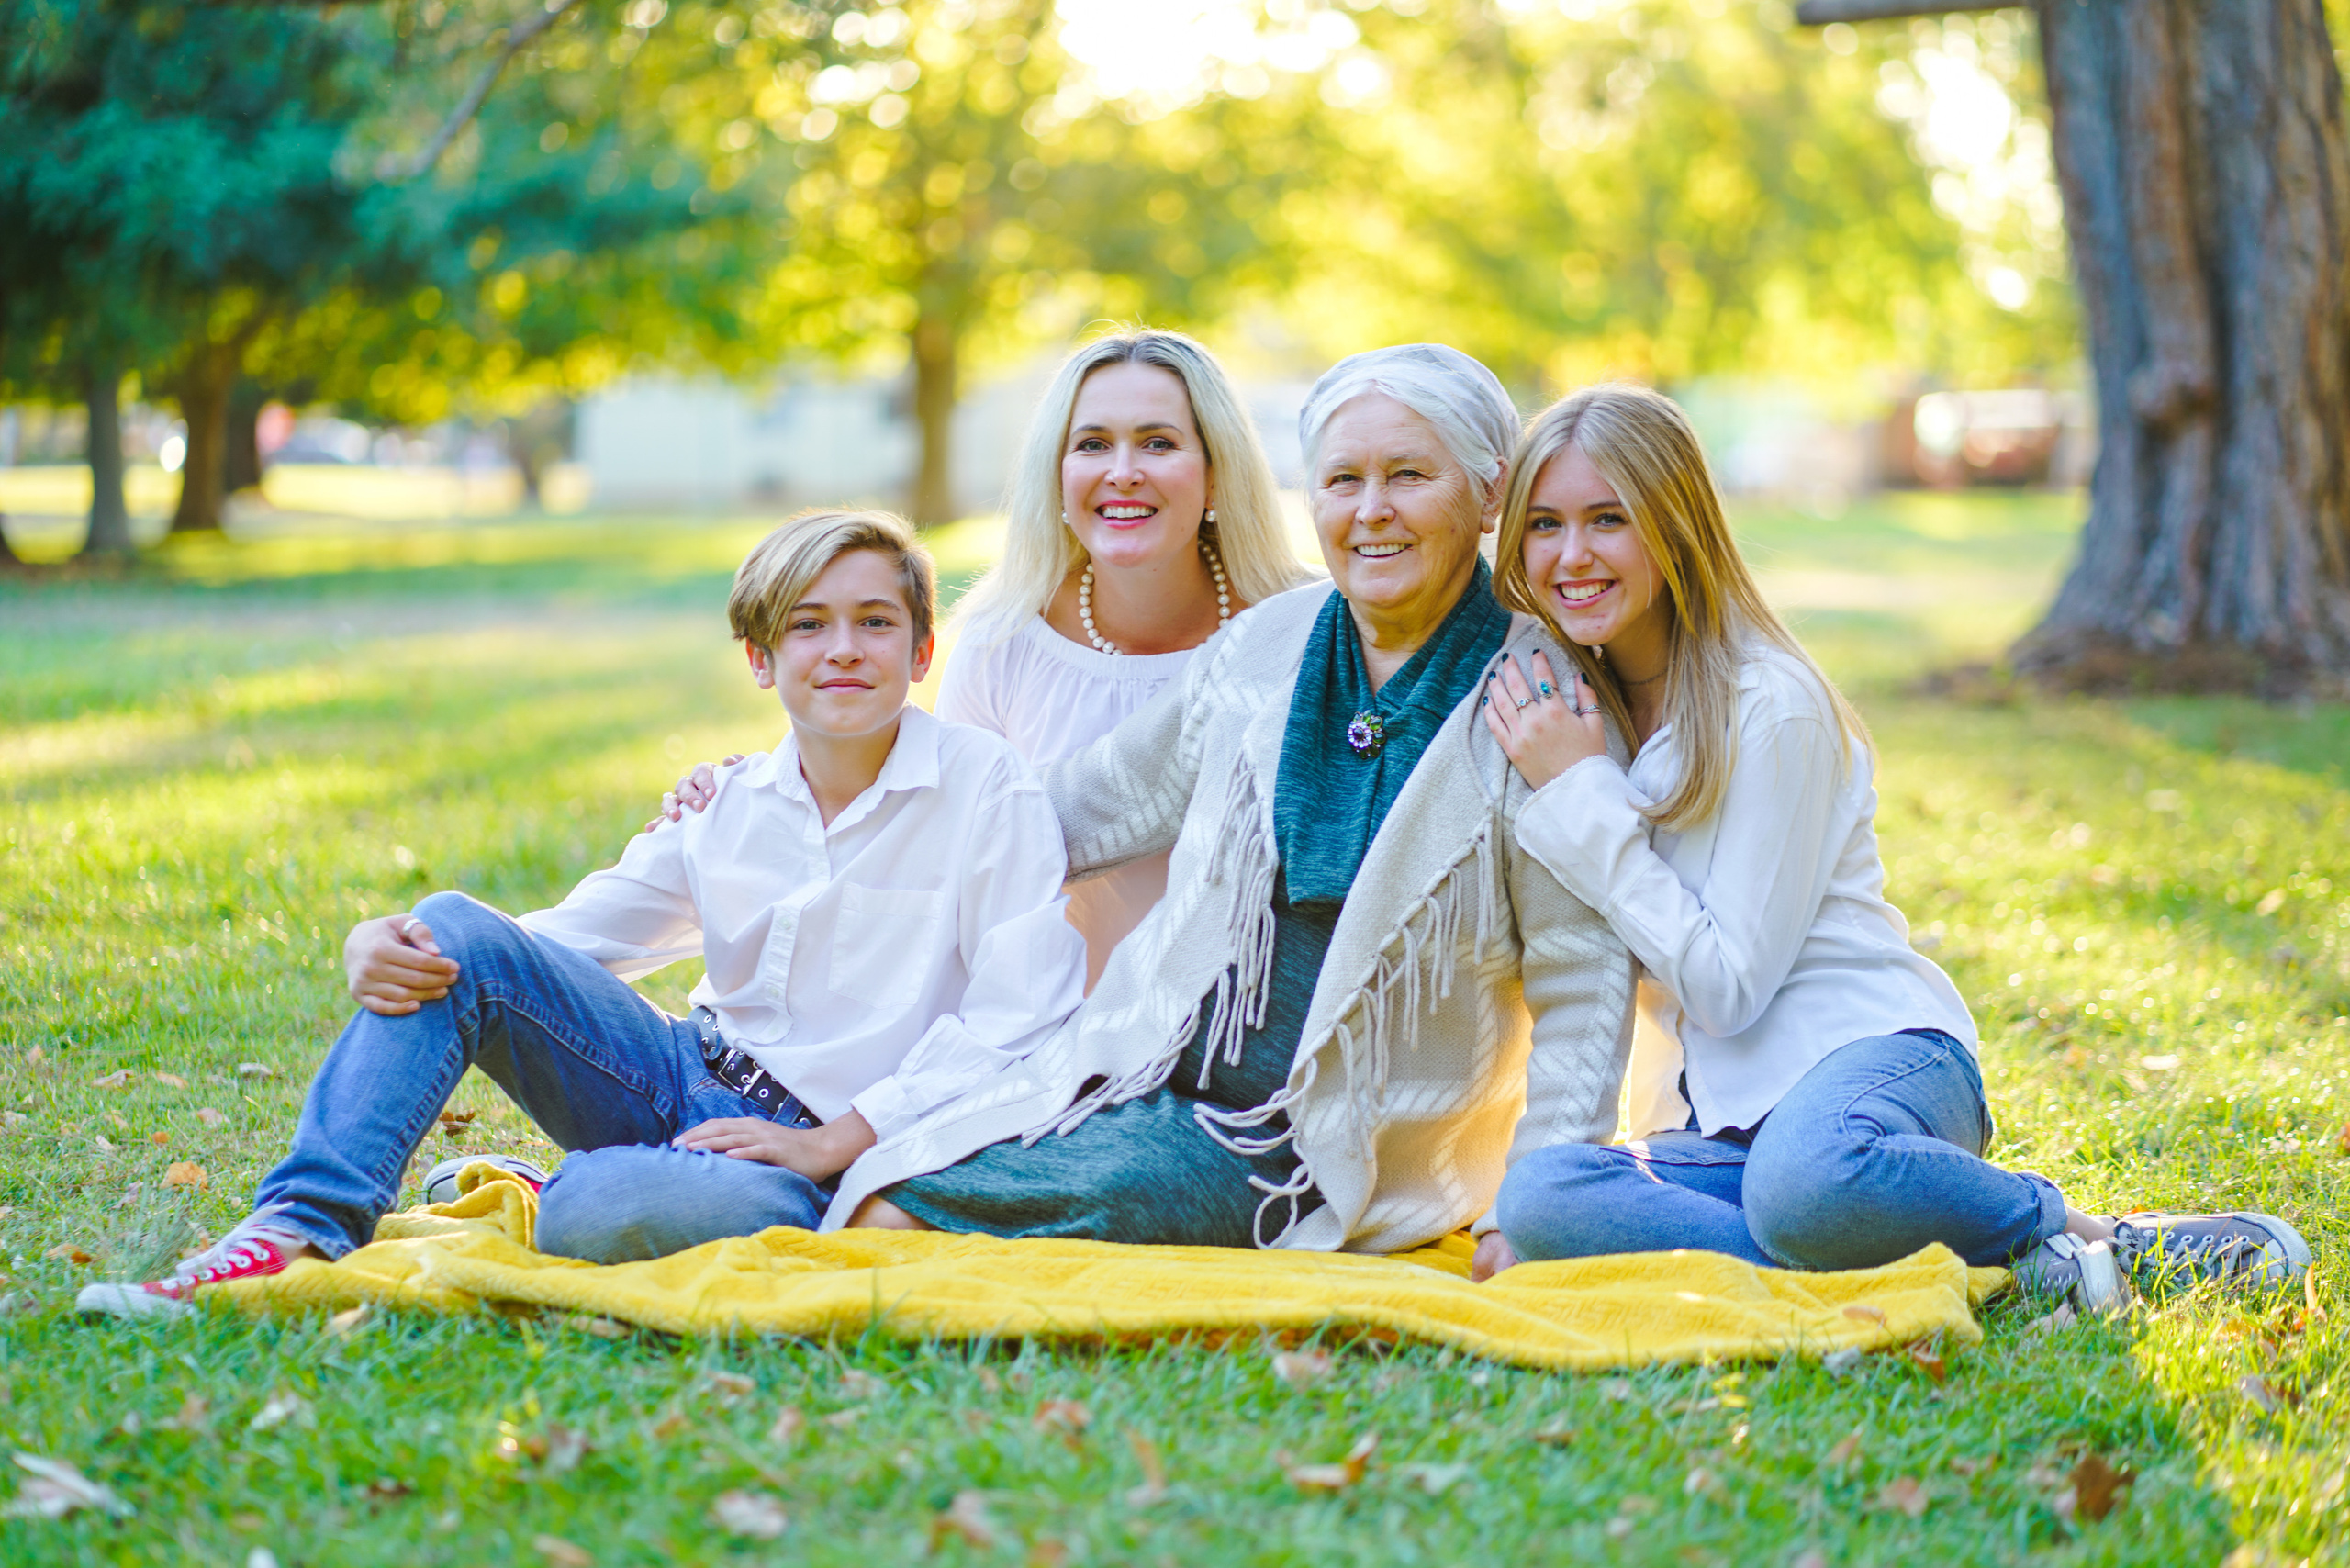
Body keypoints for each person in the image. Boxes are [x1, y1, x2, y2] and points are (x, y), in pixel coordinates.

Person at [78, 510, 1086, 1318]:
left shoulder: (984, 789)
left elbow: (1019, 1013)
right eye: (808, 624)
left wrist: (837, 1142)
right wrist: (390, 946)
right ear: (759, 658)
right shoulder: (728, 803)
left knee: (592, 1209)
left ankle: (542, 1183)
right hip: (681, 1071)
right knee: (449, 925)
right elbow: (545, 948)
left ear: (921, 653)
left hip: (838, 1151)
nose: (843, 649)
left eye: (875, 622)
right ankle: (292, 1231)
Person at [1473, 383, 2309, 1309]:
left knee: (1809, 1180)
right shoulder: (1581, 715)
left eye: (1607, 519)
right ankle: (1984, 1265)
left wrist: (1580, 793)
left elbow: (1724, 984)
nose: (1571, 554)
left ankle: (2092, 1235)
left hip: (1874, 1062)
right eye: (1544, 524)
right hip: (1724, 1132)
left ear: (1673, 526)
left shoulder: (1766, 703)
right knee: (1543, 1196)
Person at [824, 344, 1638, 1261]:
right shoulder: (1267, 646)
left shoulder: (1539, 700)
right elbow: (1084, 805)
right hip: (1141, 1063)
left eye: (1407, 476)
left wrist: (1529, 1202)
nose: (1370, 511)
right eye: (1342, 480)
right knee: (889, 1182)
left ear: (1489, 495)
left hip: (1302, 1141)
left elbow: (1582, 979)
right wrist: (834, 805)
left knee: (900, 1222)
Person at [662, 327, 1315, 991]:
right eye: (1092, 444)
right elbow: (928, 830)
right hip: (1043, 1026)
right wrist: (755, 791)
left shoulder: (1303, 632)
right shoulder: (1002, 641)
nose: (1122, 471)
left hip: (1248, 1027)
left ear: (1216, 473)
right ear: (1056, 477)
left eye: (1159, 442)